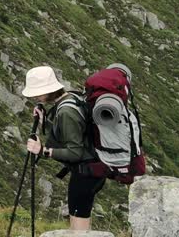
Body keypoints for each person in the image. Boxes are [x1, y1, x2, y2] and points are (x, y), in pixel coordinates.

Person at [22, 66, 106, 232]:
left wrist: (43, 151)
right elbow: (73, 132)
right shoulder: (71, 97)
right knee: (80, 214)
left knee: (79, 224)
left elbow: (75, 152)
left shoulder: (66, 111)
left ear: (48, 90)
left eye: (37, 92)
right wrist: (45, 122)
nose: (34, 96)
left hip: (86, 173)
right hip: (92, 169)